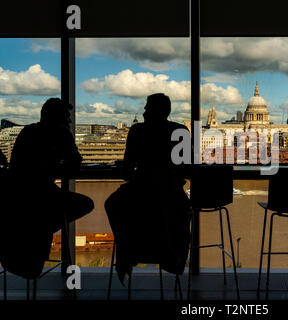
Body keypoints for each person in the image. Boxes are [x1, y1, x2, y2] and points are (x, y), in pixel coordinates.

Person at [0, 98, 94, 279]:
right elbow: (76, 162)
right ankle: (45, 225)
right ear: (57, 118)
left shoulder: (27, 131)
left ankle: (42, 226)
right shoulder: (62, 134)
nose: (69, 121)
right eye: (66, 117)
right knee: (85, 203)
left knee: (44, 214)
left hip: (18, 197)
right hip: (44, 194)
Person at [105, 93, 191, 283]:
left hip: (140, 191)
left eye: (147, 107)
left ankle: (126, 251)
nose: (143, 112)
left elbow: (126, 172)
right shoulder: (181, 131)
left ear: (156, 110)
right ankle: (171, 257)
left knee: (112, 204)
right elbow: (187, 169)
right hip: (172, 192)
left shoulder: (137, 131)